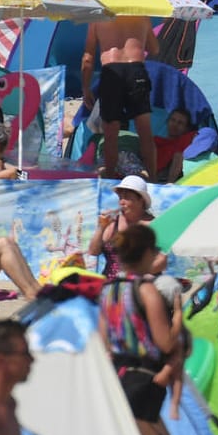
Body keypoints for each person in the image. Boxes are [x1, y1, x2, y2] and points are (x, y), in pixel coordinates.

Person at [99, 225, 179, 435]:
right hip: (142, 383)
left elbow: (104, 342)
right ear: (147, 254)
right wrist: (178, 320)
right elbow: (165, 343)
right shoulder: (146, 291)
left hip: (120, 376)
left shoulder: (107, 291)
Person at [82, 16, 161, 178]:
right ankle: (152, 180)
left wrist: (85, 89)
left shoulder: (97, 18)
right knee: (145, 132)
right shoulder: (142, 17)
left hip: (111, 72)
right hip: (136, 69)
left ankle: (110, 177)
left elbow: (87, 59)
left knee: (110, 134)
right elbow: (155, 49)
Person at [89, 176, 163, 277]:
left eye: (127, 197)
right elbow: (93, 251)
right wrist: (101, 228)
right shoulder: (112, 223)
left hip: (139, 284)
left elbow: (161, 261)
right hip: (111, 285)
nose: (121, 202)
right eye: (120, 197)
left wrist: (132, 277)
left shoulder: (152, 225)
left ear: (141, 200)